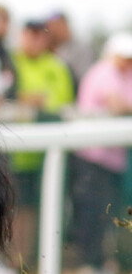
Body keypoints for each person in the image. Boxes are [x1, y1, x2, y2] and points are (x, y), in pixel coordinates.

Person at [8, 20, 75, 271]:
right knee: (14, 212)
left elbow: (63, 102)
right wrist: (25, 99)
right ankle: (13, 261)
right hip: (13, 155)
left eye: (39, 36)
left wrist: (34, 102)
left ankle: (31, 261)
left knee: (40, 212)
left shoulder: (57, 66)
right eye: (30, 35)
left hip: (47, 158)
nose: (35, 41)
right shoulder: (10, 62)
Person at [68, 31, 132, 273]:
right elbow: (116, 105)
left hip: (113, 160)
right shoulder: (104, 72)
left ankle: (101, 262)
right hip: (92, 157)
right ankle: (89, 263)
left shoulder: (124, 73)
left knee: (108, 214)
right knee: (92, 213)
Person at [45, 11, 96, 93]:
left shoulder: (81, 49)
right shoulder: (48, 49)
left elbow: (85, 79)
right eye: (50, 27)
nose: (53, 30)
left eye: (57, 26)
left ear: (65, 25)